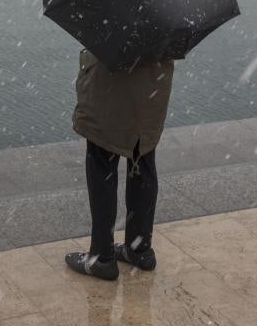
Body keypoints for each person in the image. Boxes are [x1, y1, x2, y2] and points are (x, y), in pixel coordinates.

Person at [65, 47, 175, 281]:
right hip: (151, 91)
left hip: (109, 91)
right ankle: (140, 249)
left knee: (102, 167)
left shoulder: (110, 14)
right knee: (143, 163)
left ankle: (102, 257)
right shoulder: (167, 15)